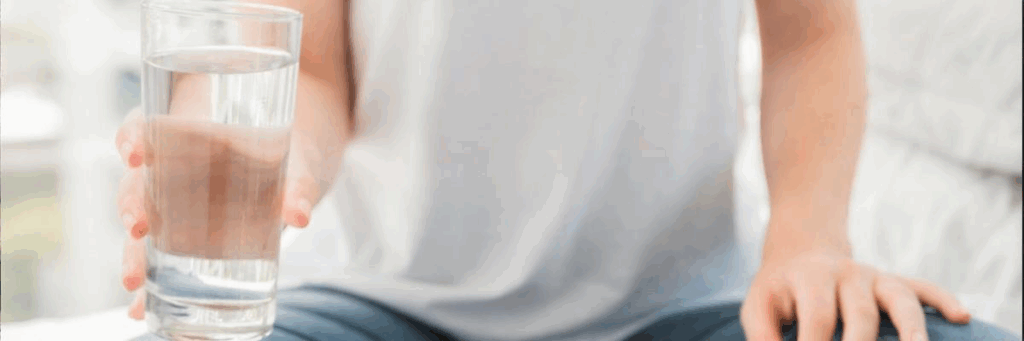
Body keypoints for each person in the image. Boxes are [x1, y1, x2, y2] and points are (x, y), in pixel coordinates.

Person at [116, 0, 1020, 340]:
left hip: (685, 309)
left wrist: (808, 242)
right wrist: (270, 167)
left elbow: (810, 37)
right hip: (372, 303)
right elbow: (311, 72)